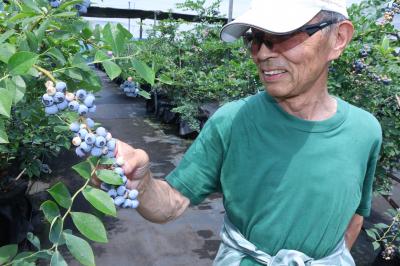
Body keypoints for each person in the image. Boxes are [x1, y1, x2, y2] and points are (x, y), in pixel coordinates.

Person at [111, 0, 382, 265]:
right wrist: (142, 183)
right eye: (255, 39)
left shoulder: (365, 131)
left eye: (283, 35)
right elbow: (171, 202)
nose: (262, 53)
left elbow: (355, 216)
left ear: (338, 38)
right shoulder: (233, 121)